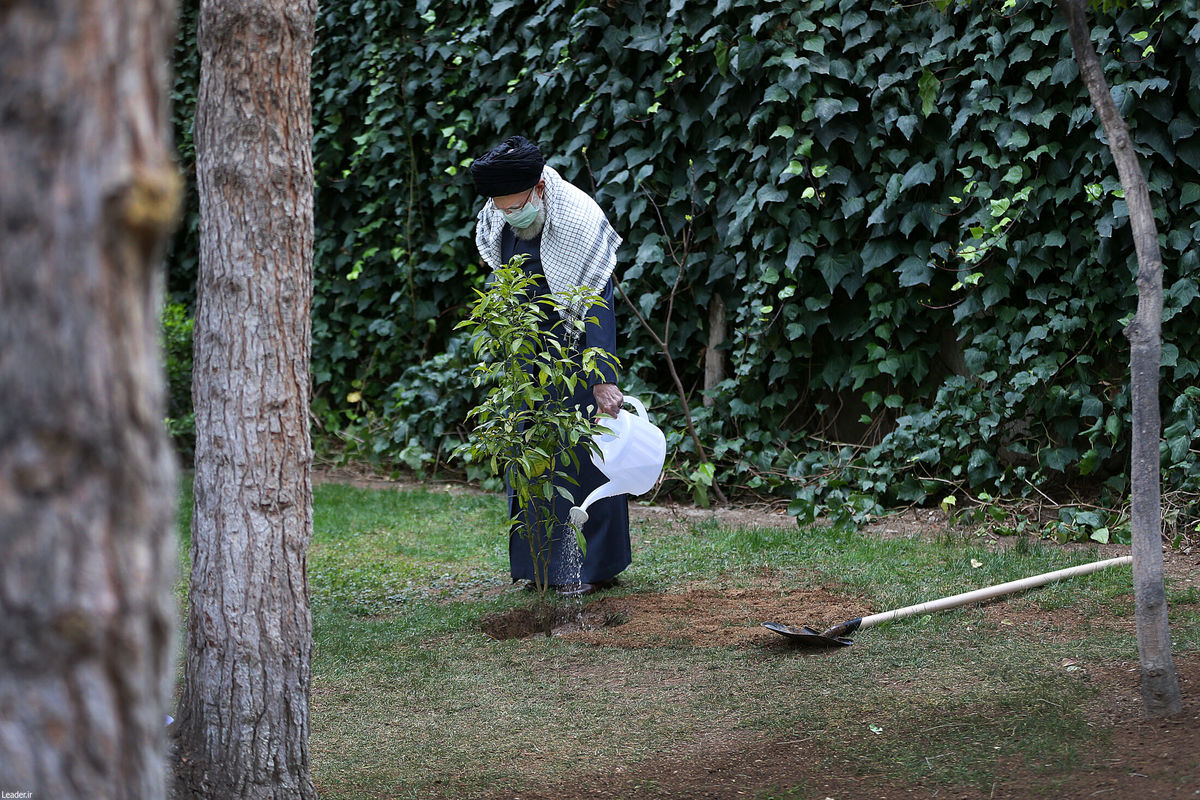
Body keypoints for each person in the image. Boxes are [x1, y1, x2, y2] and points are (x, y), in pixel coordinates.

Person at [469, 135, 630, 596]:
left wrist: (602, 381)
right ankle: (537, 568)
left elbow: (597, 301)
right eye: (501, 208)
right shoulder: (498, 216)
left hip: (575, 356)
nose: (508, 215)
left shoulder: (578, 218)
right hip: (527, 360)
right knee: (530, 456)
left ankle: (591, 570)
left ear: (539, 188)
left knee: (584, 457)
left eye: (516, 206)